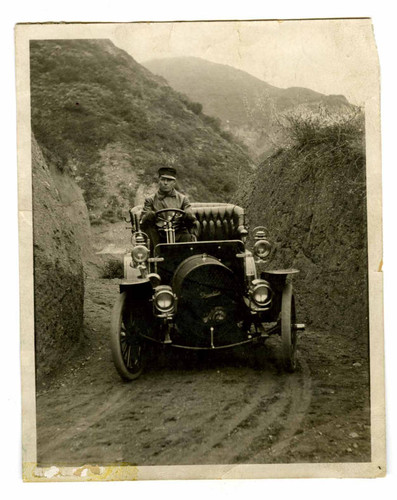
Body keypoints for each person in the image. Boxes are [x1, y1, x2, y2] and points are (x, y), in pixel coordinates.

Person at [140, 166, 198, 249]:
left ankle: (186, 258)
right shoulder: (150, 200)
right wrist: (150, 214)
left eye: (169, 180)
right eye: (163, 179)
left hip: (178, 232)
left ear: (174, 182)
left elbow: (190, 213)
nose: (165, 183)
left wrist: (187, 214)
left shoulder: (183, 199)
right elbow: (143, 218)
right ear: (159, 181)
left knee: (188, 236)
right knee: (150, 230)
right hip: (158, 234)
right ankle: (156, 257)